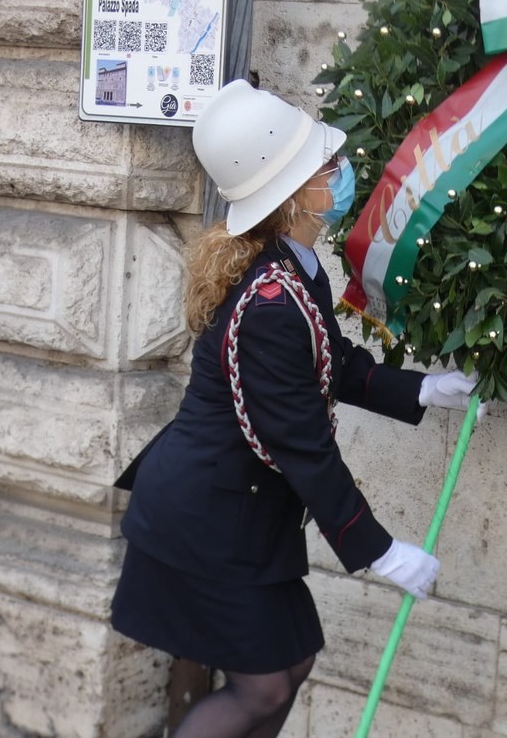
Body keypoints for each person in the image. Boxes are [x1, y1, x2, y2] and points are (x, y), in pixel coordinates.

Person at [111, 79, 480, 737]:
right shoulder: (273, 301)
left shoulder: (295, 266)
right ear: (292, 194)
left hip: (237, 511)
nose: (340, 174)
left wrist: (420, 389)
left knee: (291, 660)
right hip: (205, 517)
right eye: (326, 167)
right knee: (264, 684)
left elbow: (329, 363)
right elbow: (301, 442)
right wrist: (377, 550)